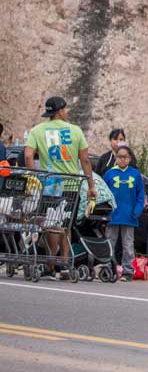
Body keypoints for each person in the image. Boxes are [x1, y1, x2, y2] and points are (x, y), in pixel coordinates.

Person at [24, 95, 96, 273]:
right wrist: (91, 186)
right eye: (66, 109)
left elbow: (27, 156)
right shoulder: (76, 131)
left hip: (49, 185)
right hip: (72, 184)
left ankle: (50, 263)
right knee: (65, 223)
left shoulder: (37, 130)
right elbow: (85, 160)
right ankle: (64, 263)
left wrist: (37, 177)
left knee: (51, 223)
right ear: (61, 111)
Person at [103, 144, 145, 281]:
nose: (122, 160)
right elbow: (103, 194)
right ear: (116, 158)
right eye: (119, 157)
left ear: (130, 158)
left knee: (128, 245)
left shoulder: (135, 174)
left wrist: (137, 210)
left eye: (125, 157)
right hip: (112, 215)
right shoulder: (109, 174)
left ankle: (127, 271)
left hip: (129, 216)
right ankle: (108, 267)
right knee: (110, 243)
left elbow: (140, 195)